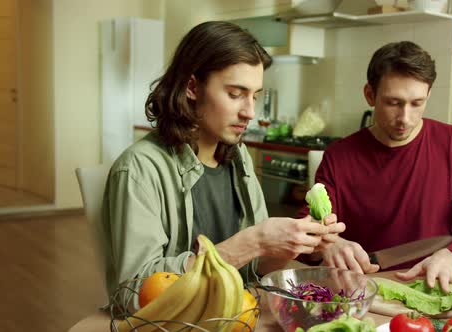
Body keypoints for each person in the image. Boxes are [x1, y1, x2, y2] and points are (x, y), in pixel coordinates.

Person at [100, 21, 345, 308]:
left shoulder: (237, 157)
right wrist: (251, 242)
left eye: (255, 95)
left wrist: (306, 243)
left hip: (237, 316)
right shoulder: (140, 168)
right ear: (192, 87)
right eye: (235, 94)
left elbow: (255, 267)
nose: (250, 112)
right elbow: (135, 293)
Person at [300, 41, 452, 294]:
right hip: (366, 291)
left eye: (417, 103)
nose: (405, 119)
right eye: (393, 103)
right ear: (370, 95)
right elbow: (307, 224)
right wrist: (326, 243)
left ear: (429, 95)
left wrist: (451, 256)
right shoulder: (339, 155)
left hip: (433, 287)